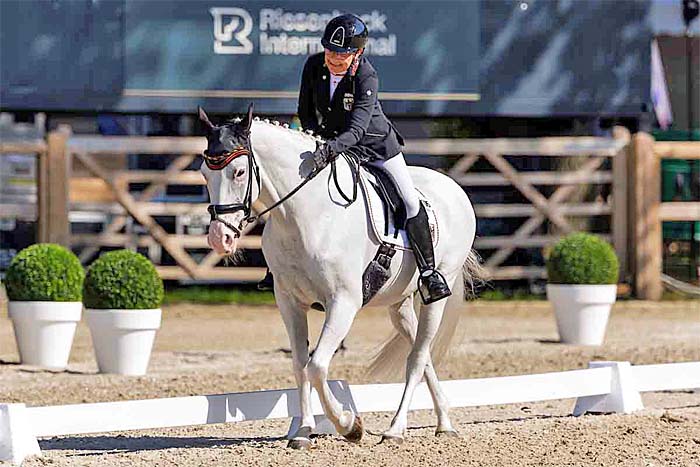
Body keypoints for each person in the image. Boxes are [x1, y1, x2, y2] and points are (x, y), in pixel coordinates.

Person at [261, 13, 450, 304]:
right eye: (330, 51)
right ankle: (278, 269)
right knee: (293, 193)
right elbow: (306, 110)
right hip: (332, 142)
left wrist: (330, 148)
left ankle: (428, 273)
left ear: (358, 52)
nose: (334, 58)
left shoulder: (366, 76)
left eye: (342, 53)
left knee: (410, 200)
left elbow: (358, 128)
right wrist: (313, 140)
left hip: (375, 148)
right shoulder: (314, 65)